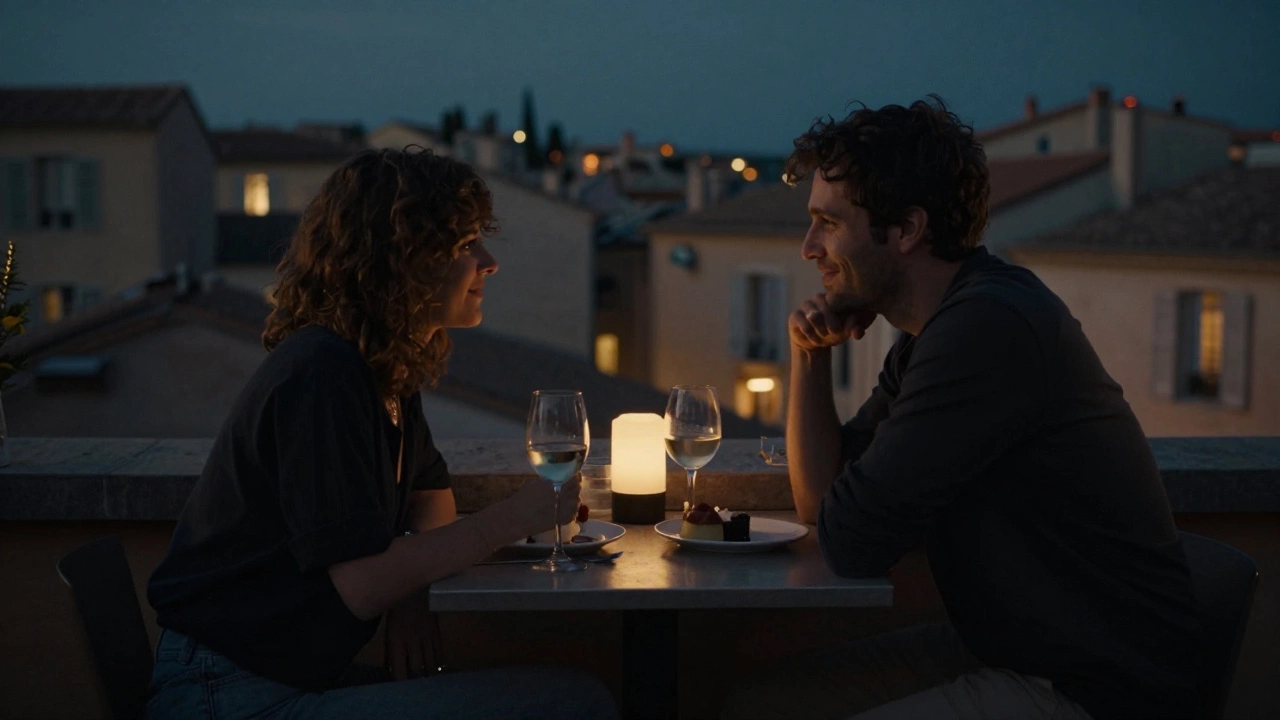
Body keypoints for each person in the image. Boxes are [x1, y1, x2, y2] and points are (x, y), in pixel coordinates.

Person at [721, 99, 1204, 720]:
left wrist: (844, 514)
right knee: (760, 704)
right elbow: (823, 505)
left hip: (1092, 687)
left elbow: (852, 541)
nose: (808, 247)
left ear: (906, 230)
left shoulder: (985, 330)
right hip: (1013, 653)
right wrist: (808, 355)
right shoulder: (936, 331)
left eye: (828, 223)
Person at [146, 147, 619, 720]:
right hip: (223, 692)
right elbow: (360, 586)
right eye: (466, 244)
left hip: (274, 676)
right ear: (403, 259)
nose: (488, 261)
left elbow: (428, 493)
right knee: (576, 704)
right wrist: (513, 519)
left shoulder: (380, 368)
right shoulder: (323, 373)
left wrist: (414, 596)